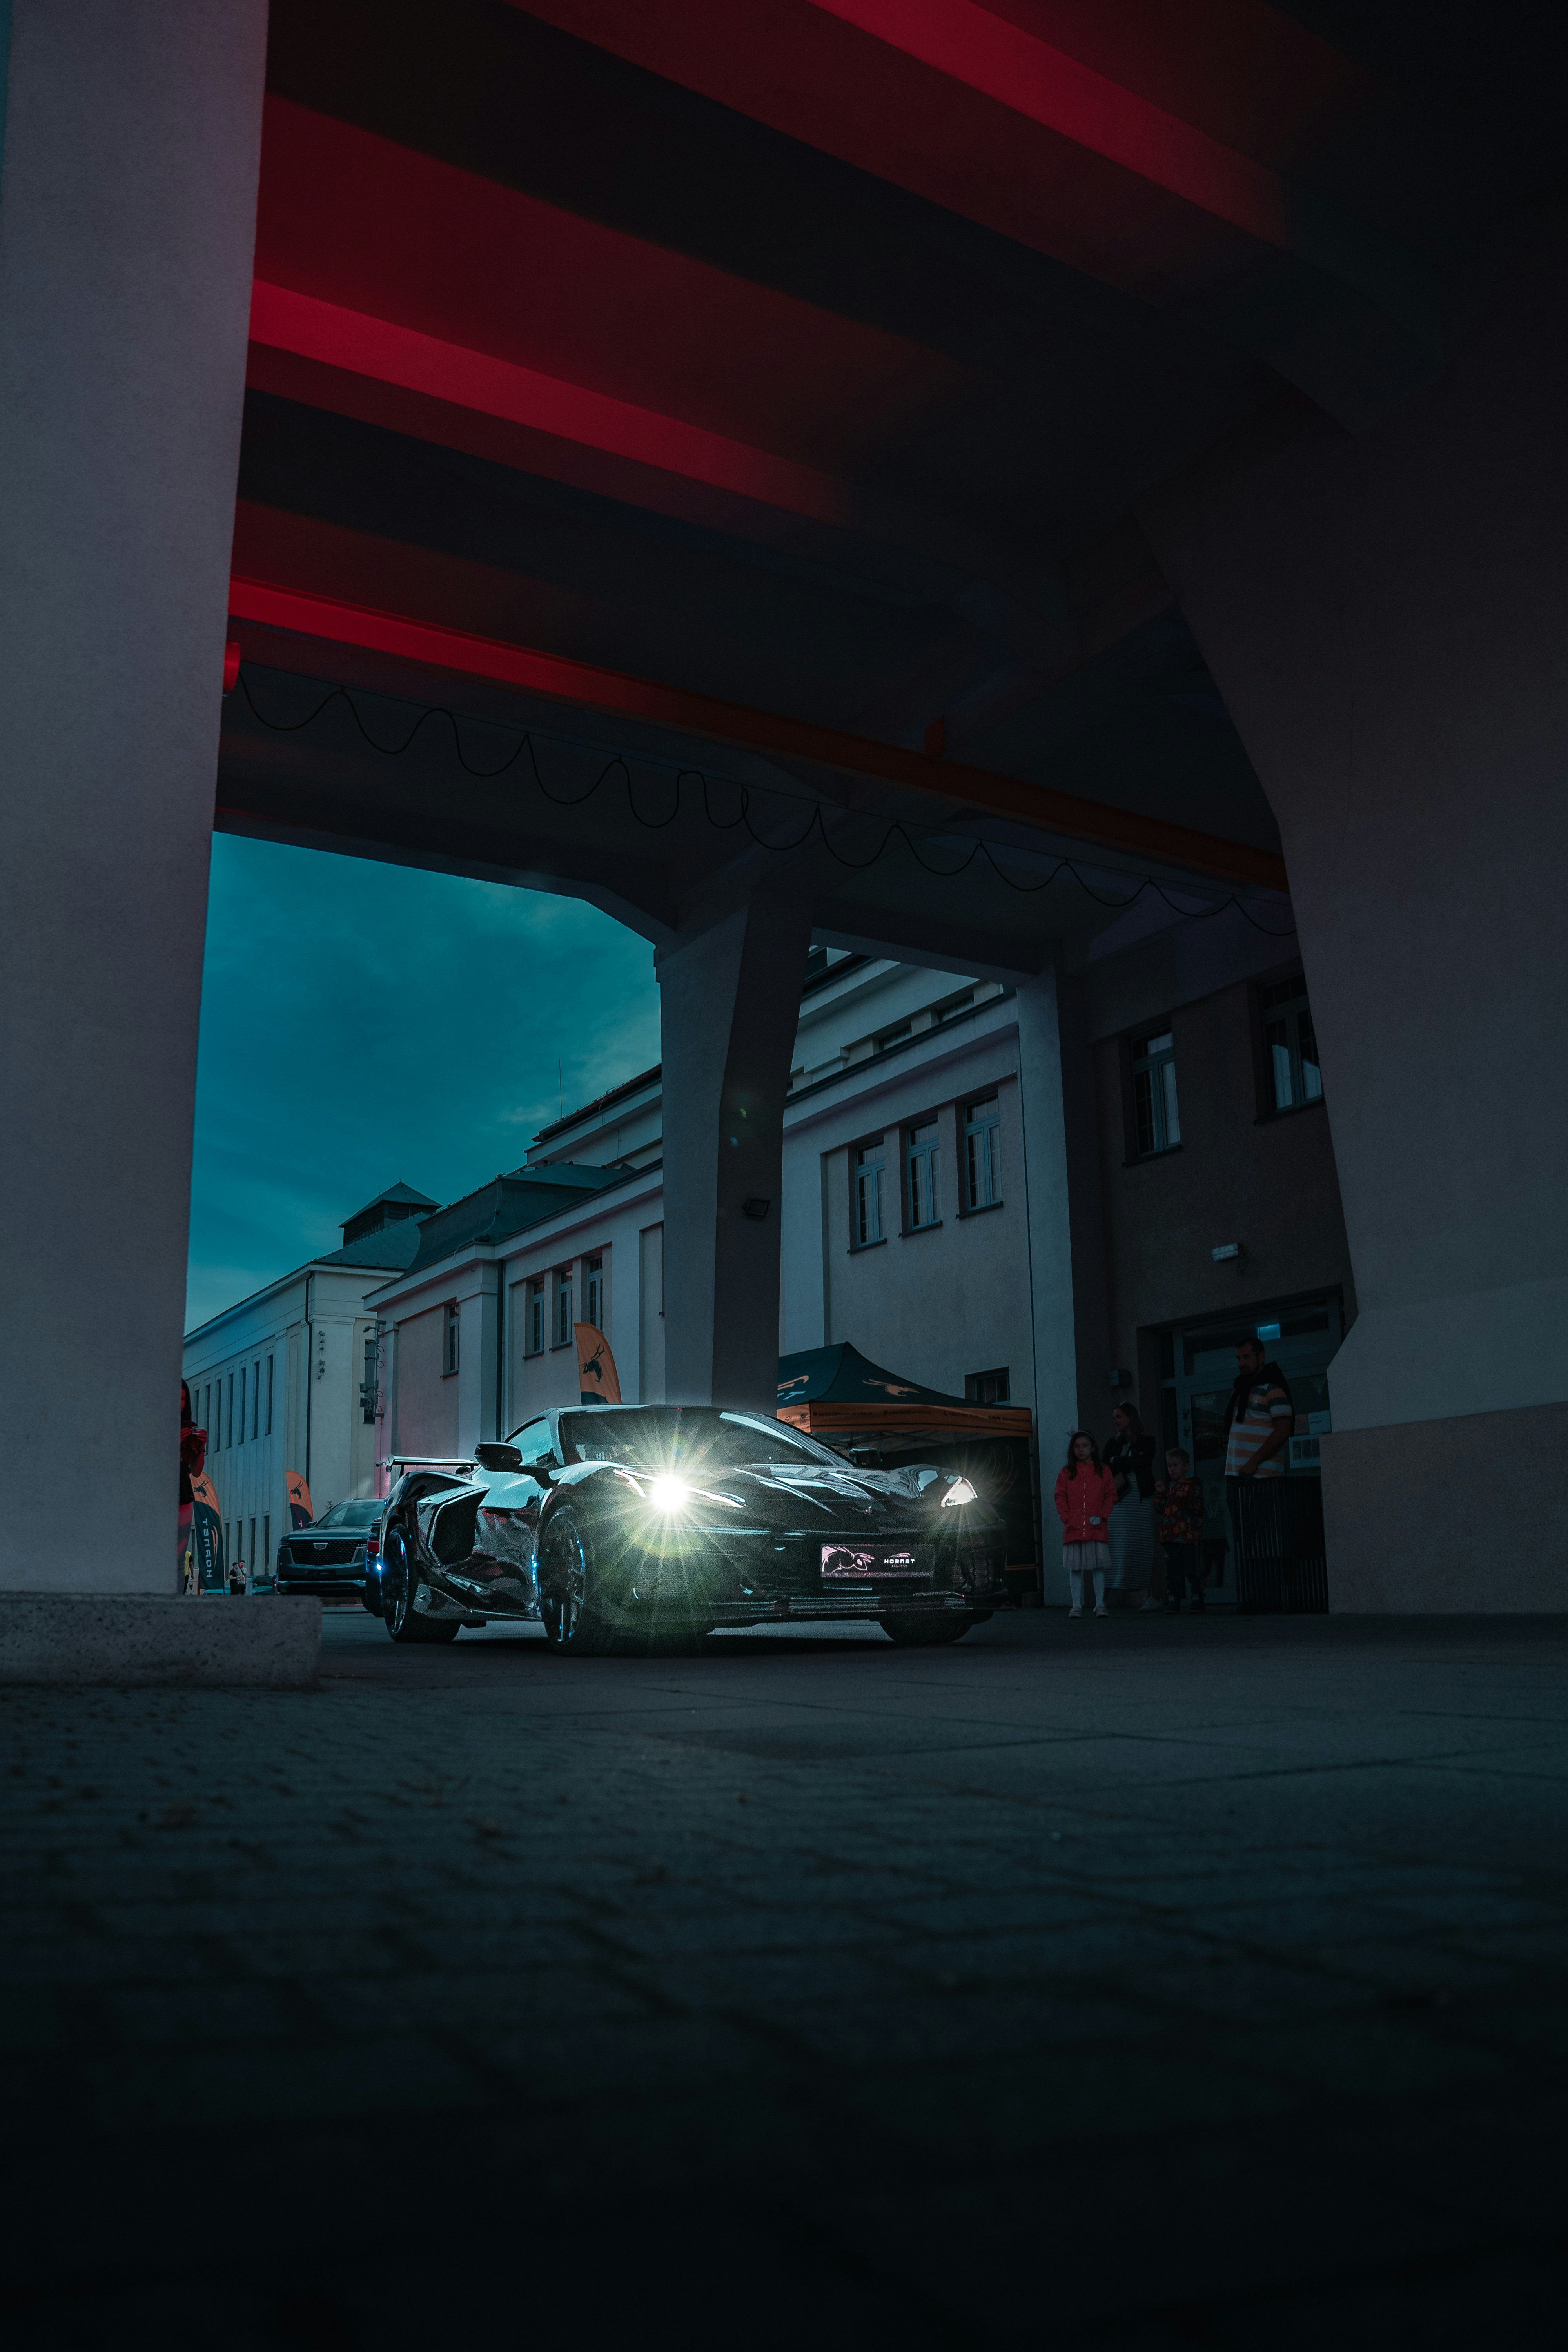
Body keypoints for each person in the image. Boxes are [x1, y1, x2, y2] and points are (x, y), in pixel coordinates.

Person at [1054, 1432, 1119, 1619]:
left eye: (1085, 1446)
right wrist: (1067, 1517)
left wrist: (1103, 1515)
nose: (1081, 1450)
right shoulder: (1066, 1473)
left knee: (1098, 1567)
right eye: (1077, 1446)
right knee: (1075, 1567)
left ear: (1093, 1447)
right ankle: (1076, 1606)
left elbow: (1111, 1495)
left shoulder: (1103, 1471)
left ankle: (1100, 1605)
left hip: (1096, 1527)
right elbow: (1060, 1496)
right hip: (1073, 1528)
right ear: (1072, 1450)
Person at [1103, 1400, 1159, 1608]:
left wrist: (1117, 1461)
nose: (1116, 1421)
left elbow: (1144, 1462)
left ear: (1130, 1418)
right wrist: (1124, 1461)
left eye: (1119, 1417)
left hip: (1141, 1498)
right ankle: (1104, 1599)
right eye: (1114, 1417)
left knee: (1143, 1544)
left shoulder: (1147, 1441)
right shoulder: (1113, 1443)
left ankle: (1154, 1597)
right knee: (1114, 1544)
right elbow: (1104, 1466)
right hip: (1119, 1500)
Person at [1155, 1446, 1207, 1612]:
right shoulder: (1169, 1488)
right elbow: (1161, 1508)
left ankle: (1197, 1598)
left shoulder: (1193, 1486)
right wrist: (1161, 1495)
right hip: (1170, 1537)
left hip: (1188, 1536)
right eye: (1170, 1466)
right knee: (1172, 1571)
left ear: (1186, 1467)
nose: (1172, 1469)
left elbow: (1198, 1507)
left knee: (1192, 1569)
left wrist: (1185, 1499)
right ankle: (1173, 1600)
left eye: (1176, 1465)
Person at [178, 1381, 206, 1595]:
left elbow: (196, 1472)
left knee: (178, 1559)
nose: (180, 1404)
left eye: (183, 1399)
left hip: (183, 1492)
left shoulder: (189, 1425)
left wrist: (201, 1449)